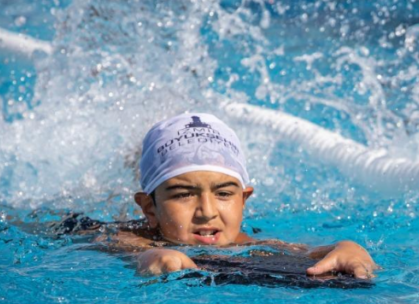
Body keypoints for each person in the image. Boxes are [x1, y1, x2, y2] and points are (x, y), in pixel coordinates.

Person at [115, 112, 376, 277]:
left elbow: (311, 252)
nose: (207, 211)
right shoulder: (132, 238)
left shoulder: (251, 245)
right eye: (184, 194)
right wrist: (147, 257)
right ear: (149, 208)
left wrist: (347, 247)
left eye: (224, 193)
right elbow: (129, 248)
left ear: (243, 199)